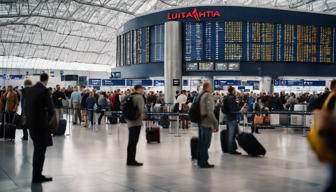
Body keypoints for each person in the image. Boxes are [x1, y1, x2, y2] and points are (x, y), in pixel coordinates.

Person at [24, 73, 54, 183]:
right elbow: (51, 110)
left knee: (37, 150)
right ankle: (37, 176)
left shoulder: (30, 90)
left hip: (31, 126)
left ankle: (36, 175)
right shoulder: (45, 91)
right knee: (40, 152)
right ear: (46, 80)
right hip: (41, 126)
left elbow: (25, 107)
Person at [198, 81, 218, 168]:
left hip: (201, 122)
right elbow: (210, 112)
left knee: (202, 143)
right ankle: (204, 162)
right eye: (211, 86)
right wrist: (215, 123)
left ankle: (200, 161)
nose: (212, 87)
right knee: (206, 144)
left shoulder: (201, 95)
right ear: (207, 87)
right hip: (206, 123)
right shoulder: (208, 96)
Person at [126, 85, 145, 166]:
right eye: (142, 89)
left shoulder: (130, 96)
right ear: (139, 89)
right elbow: (141, 109)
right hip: (136, 122)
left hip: (130, 121)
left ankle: (129, 160)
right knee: (134, 142)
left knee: (131, 142)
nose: (143, 91)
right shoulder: (139, 97)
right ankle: (131, 161)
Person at [223, 86, 241, 155]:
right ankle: (231, 150)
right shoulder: (231, 98)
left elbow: (224, 108)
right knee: (231, 135)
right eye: (234, 90)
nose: (235, 91)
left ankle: (233, 148)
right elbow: (233, 109)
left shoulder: (227, 97)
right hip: (232, 118)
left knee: (235, 134)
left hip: (228, 117)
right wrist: (239, 109)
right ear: (232, 91)